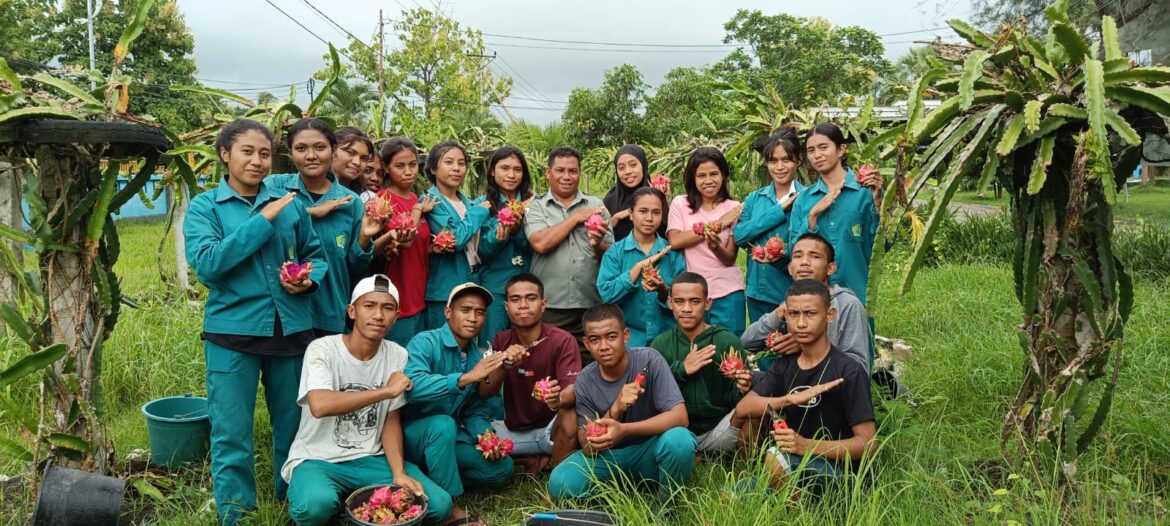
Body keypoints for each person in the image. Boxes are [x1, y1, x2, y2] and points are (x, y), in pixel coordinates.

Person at [184, 119, 328, 525]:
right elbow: (209, 265)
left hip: (292, 329)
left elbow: (314, 253)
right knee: (231, 432)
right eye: (247, 151)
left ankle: (291, 502)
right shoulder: (206, 207)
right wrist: (262, 220)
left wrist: (308, 278)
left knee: (294, 425)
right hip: (233, 333)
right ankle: (237, 514)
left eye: (264, 153)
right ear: (225, 154)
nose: (257, 160)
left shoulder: (291, 202)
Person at [283, 275, 452, 525]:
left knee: (438, 505)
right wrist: (385, 391)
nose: (378, 315)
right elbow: (320, 405)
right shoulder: (322, 349)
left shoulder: (397, 354)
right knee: (315, 506)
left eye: (387, 308)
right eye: (369, 306)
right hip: (317, 458)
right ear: (352, 311)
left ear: (396, 316)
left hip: (371, 458)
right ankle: (337, 502)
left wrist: (398, 473)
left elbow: (390, 418)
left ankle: (356, 507)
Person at [733, 279, 877, 494]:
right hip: (792, 463)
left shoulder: (848, 370)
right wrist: (790, 399)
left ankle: (798, 512)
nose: (800, 323)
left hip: (841, 474)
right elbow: (744, 407)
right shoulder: (785, 364)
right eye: (793, 314)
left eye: (810, 314)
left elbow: (868, 444)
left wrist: (805, 446)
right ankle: (790, 501)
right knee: (734, 494)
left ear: (830, 315)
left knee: (775, 458)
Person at [547, 304, 696, 502]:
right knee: (560, 481)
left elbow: (680, 417)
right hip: (608, 458)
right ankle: (610, 498)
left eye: (611, 336)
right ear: (587, 344)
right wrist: (615, 409)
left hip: (648, 450)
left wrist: (624, 429)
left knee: (680, 440)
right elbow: (587, 447)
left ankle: (665, 503)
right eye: (595, 340)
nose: (604, 346)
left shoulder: (649, 360)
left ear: (625, 336)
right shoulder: (584, 379)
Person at [402, 283, 513, 526]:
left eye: (480, 312)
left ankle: (432, 477)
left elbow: (472, 409)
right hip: (410, 439)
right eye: (466, 310)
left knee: (501, 467)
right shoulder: (425, 342)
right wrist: (466, 378)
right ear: (448, 312)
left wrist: (485, 435)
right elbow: (413, 387)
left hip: (445, 441)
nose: (473, 318)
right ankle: (450, 508)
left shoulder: (475, 356)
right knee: (442, 424)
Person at [265, 118, 382, 337]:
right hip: (281, 313)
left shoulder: (351, 202)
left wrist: (365, 237)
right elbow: (256, 221)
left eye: (320, 147)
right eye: (301, 148)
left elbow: (353, 267)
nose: (311, 155)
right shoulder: (275, 187)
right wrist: (310, 212)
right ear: (291, 153)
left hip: (329, 312)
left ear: (333, 150)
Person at [478, 273, 582, 473]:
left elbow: (573, 389)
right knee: (476, 439)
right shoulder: (501, 341)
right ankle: (531, 459)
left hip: (552, 431)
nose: (523, 305)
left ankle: (558, 481)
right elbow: (484, 392)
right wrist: (504, 364)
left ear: (543, 305)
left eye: (531, 298)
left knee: (570, 416)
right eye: (515, 299)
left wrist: (556, 398)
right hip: (513, 432)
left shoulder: (563, 340)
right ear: (507, 308)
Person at [741, 232, 872, 374]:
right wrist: (778, 315)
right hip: (791, 384)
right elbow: (747, 342)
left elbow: (859, 367)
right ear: (790, 268)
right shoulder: (790, 303)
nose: (804, 262)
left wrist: (808, 347)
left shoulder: (847, 304)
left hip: (830, 389)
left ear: (830, 268)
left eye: (815, 256)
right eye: (798, 256)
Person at [526, 146, 614, 355]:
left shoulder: (596, 205)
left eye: (573, 171)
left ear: (579, 172)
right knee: (548, 361)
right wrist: (575, 218)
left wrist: (598, 243)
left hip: (590, 301)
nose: (567, 176)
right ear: (548, 172)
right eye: (560, 170)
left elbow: (611, 254)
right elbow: (540, 243)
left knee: (592, 364)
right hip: (551, 304)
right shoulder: (537, 206)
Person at [649, 272, 744, 453]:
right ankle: (687, 454)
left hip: (719, 429)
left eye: (694, 301)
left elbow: (733, 400)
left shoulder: (726, 341)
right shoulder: (660, 344)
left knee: (752, 408)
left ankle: (744, 465)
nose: (686, 308)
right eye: (679, 301)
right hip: (677, 431)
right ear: (670, 303)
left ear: (707, 303)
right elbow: (653, 397)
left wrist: (742, 389)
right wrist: (681, 369)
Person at [788, 122, 882, 305]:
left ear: (841, 150)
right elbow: (794, 251)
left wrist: (878, 202)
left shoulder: (866, 192)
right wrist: (813, 216)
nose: (817, 155)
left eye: (823, 147)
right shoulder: (804, 200)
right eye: (811, 150)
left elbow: (882, 245)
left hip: (857, 294)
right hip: (813, 300)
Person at [666, 147, 746, 335]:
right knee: (697, 351)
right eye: (701, 175)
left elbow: (729, 258)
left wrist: (716, 246)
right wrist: (718, 224)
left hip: (728, 293)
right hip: (693, 295)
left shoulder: (733, 207)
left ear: (723, 175)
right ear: (692, 178)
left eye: (714, 174)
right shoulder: (681, 204)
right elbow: (675, 240)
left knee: (729, 352)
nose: (708, 181)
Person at [597, 187, 684, 347]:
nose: (649, 218)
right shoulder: (615, 253)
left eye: (656, 212)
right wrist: (637, 268)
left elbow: (683, 299)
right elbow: (607, 295)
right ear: (631, 213)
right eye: (642, 211)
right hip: (629, 341)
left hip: (667, 339)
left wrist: (663, 289)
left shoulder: (672, 253)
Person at [372, 138, 437, 345]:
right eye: (400, 166)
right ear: (386, 167)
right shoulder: (382, 200)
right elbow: (405, 240)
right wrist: (418, 210)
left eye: (413, 164)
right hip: (400, 294)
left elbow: (418, 245)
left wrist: (433, 248)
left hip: (421, 292)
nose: (408, 171)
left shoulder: (415, 198)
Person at [735, 130, 805, 322]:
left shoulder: (807, 198)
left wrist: (782, 253)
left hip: (793, 292)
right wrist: (779, 211)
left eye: (786, 160)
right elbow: (739, 236)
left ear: (798, 161)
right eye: (773, 161)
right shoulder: (754, 198)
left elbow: (809, 244)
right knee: (763, 349)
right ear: (766, 163)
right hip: (757, 293)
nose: (779, 167)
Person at [422, 140, 492, 331]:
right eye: (449, 162)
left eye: (461, 163)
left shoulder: (466, 202)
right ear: (434, 169)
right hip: (444, 290)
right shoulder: (431, 201)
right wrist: (478, 212)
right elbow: (454, 240)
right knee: (442, 347)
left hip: (471, 285)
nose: (457, 169)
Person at [478, 146, 536, 341]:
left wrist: (519, 230)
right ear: (493, 171)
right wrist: (499, 237)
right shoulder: (481, 205)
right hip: (495, 288)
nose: (511, 175)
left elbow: (540, 246)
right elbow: (481, 252)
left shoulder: (537, 204)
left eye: (517, 169)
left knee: (531, 346)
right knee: (493, 345)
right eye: (505, 168)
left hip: (529, 286)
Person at [602, 144, 665, 241]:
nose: (627, 171)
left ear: (643, 165)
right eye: (621, 168)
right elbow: (602, 239)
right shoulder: (610, 200)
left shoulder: (656, 194)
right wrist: (614, 220)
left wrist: (661, 199)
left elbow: (667, 233)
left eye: (633, 165)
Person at [332, 126, 375, 194]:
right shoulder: (311, 188)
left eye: (364, 158)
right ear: (333, 150)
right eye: (350, 152)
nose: (357, 162)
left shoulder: (366, 199)